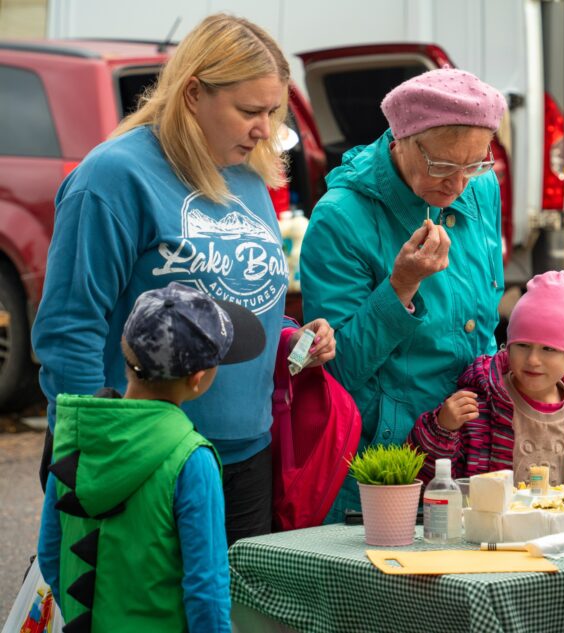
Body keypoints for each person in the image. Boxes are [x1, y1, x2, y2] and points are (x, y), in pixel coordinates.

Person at [31, 14, 336, 545]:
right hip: (142, 455)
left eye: (272, 112)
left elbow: (232, 293)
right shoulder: (114, 176)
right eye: (249, 111)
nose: (265, 129)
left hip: (247, 456)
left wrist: (287, 337)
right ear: (193, 93)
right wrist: (94, 455)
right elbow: (69, 327)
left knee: (226, 601)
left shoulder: (247, 171)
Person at [300, 67, 507, 521]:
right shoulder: (340, 217)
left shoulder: (481, 187)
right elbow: (339, 370)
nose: (458, 184)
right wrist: (401, 286)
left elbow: (486, 320)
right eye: (442, 166)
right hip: (391, 461)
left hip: (476, 446)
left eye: (474, 164)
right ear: (402, 139)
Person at [38, 282, 265, 632]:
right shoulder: (192, 459)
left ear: (125, 349)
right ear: (197, 379)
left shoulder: (77, 435)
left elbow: (50, 554)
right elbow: (206, 588)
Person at [409, 271, 564, 486]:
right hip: (492, 527)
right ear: (507, 347)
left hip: (558, 527)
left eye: (548, 349)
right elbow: (432, 478)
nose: (532, 360)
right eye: (523, 345)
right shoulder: (481, 403)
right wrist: (442, 428)